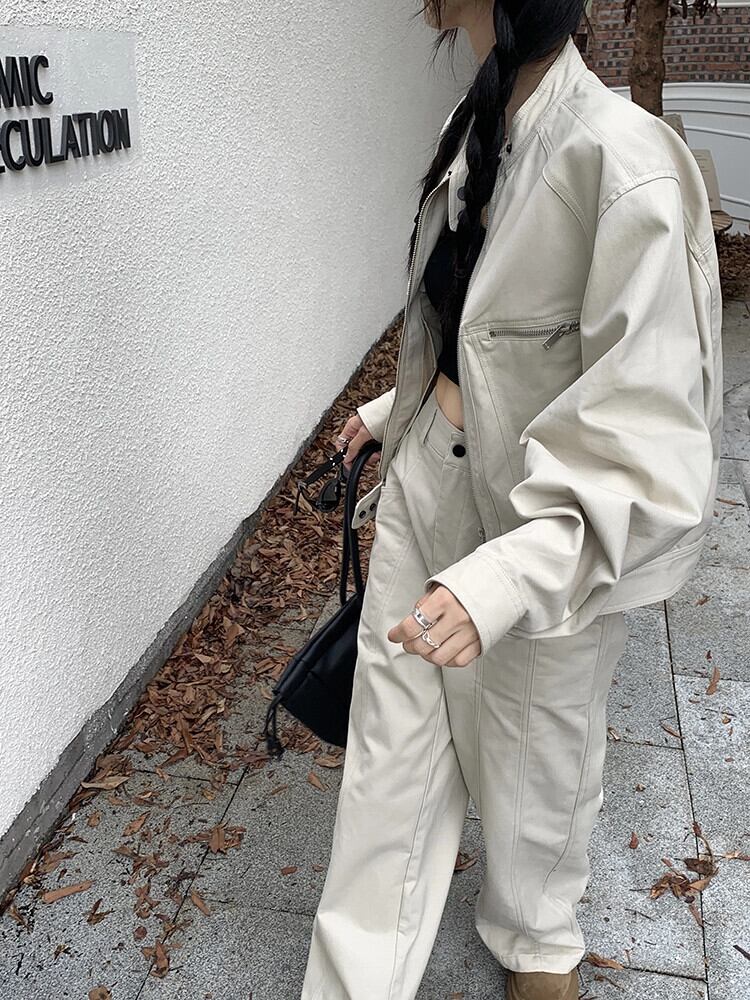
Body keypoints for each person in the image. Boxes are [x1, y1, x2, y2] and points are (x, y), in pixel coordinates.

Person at [300, 3, 723, 999]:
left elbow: (650, 437)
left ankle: (538, 946)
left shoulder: (625, 162)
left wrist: (505, 579)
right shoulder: (477, 122)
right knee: (388, 768)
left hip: (547, 528)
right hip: (427, 485)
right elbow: (473, 325)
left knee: (537, 768)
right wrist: (395, 407)